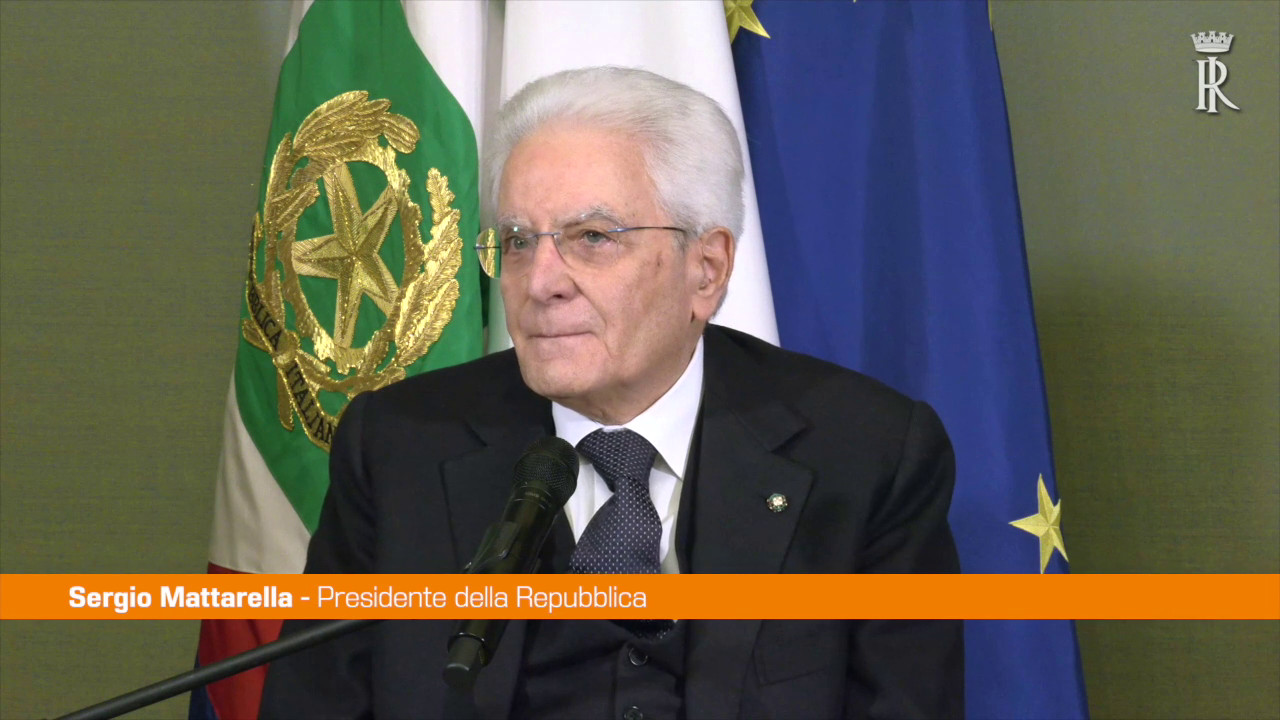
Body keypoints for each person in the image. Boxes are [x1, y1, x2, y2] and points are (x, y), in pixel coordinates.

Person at [261, 66, 963, 720]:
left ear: (707, 268)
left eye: (592, 237)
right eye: (517, 242)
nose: (540, 283)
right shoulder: (399, 447)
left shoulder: (866, 454)